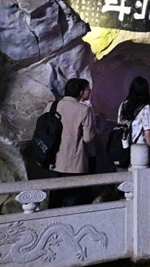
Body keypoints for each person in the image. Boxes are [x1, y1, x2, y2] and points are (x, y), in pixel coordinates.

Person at [47, 78, 94, 207]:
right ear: (80, 93)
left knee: (55, 198)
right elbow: (88, 138)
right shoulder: (84, 110)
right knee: (72, 200)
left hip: (53, 160)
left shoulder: (51, 105)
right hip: (74, 162)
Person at [116, 76, 150, 169]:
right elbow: (147, 131)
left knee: (124, 176)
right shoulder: (145, 108)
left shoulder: (123, 104)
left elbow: (120, 124)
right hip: (139, 147)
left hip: (124, 146)